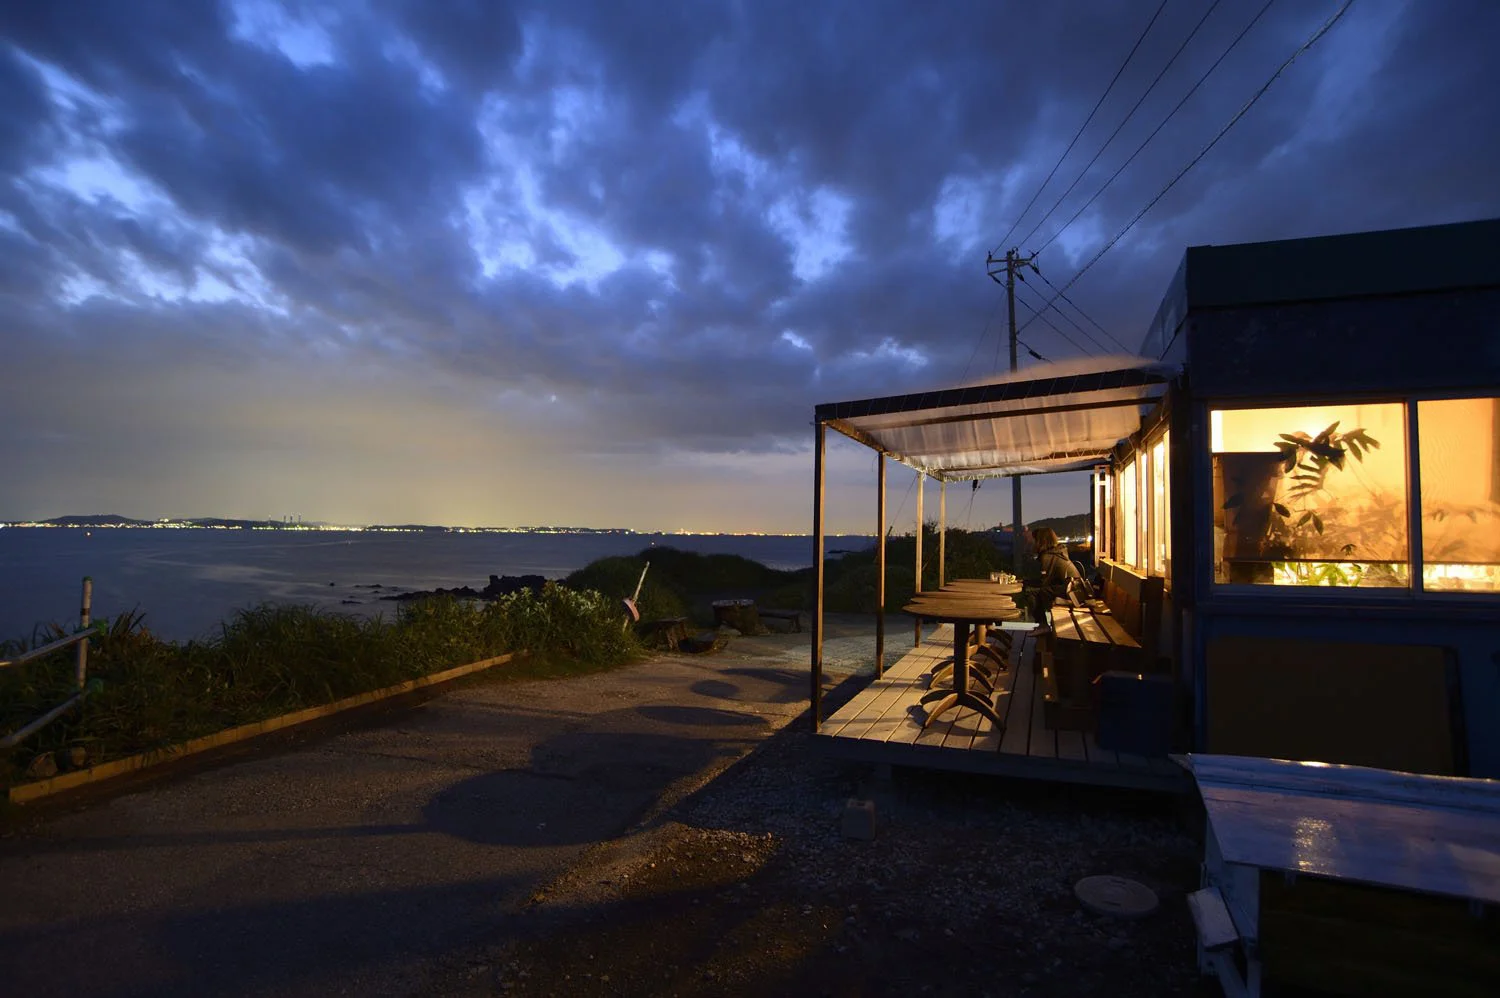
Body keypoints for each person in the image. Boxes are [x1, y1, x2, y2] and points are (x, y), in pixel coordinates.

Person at [1031, 526, 1085, 621]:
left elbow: (1044, 582)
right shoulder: (1057, 552)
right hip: (1077, 589)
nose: (1033, 543)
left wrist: (1025, 583)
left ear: (1040, 541)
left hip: (1072, 591)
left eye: (1035, 540)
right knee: (1040, 592)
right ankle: (1043, 625)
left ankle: (1042, 625)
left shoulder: (1048, 556)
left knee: (1033, 594)